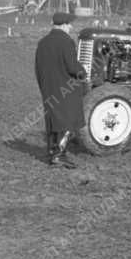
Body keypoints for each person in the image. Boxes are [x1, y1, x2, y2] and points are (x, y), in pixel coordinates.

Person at [34, 11, 87, 168]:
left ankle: (52, 153)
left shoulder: (42, 42)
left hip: (48, 87)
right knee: (68, 122)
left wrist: (43, 85)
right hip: (66, 88)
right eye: (69, 24)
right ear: (63, 25)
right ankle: (59, 155)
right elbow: (72, 66)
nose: (71, 27)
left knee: (53, 121)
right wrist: (83, 71)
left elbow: (38, 68)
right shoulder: (66, 41)